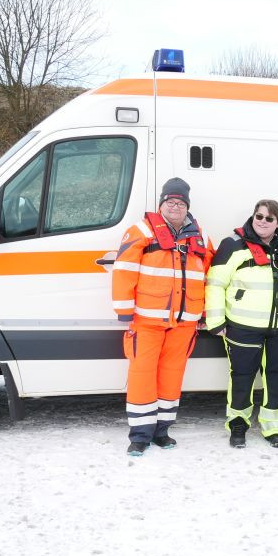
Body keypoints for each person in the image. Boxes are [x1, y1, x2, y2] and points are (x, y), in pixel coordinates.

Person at [112, 177, 214, 456]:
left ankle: (162, 431)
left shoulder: (201, 237)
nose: (175, 206)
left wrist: (205, 312)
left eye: (180, 203)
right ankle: (140, 435)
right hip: (147, 321)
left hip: (185, 323)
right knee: (142, 375)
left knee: (172, 376)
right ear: (161, 204)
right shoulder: (142, 231)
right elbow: (124, 270)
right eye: (170, 201)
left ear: (187, 207)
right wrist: (124, 310)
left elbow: (210, 277)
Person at [205, 199, 278, 449]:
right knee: (242, 377)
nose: (263, 222)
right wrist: (216, 321)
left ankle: (274, 427)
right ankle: (238, 424)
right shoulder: (232, 245)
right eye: (259, 216)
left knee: (277, 378)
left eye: (269, 218)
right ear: (253, 216)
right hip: (242, 326)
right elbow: (215, 283)